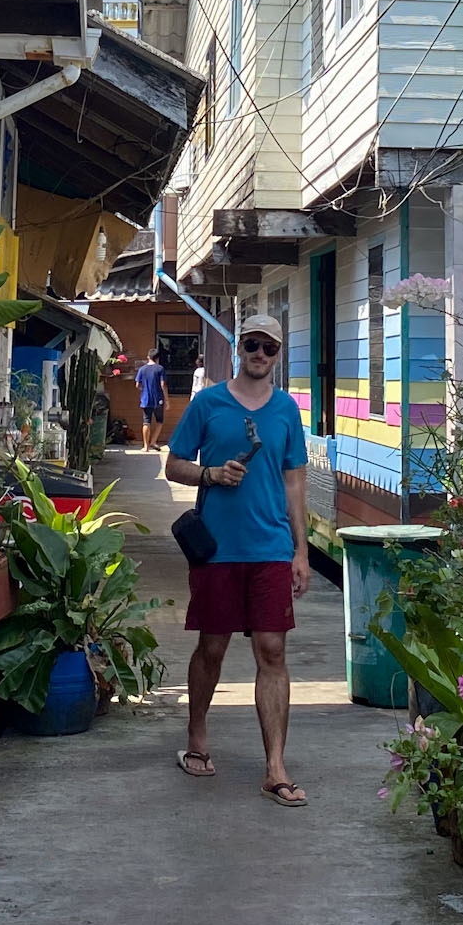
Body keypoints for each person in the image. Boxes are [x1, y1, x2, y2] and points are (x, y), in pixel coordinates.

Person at [164, 312, 310, 805]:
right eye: (252, 344)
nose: (260, 355)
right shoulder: (208, 404)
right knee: (213, 646)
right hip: (218, 550)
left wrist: (300, 550)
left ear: (278, 355)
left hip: (270, 547)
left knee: (273, 651)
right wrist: (209, 476)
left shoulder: (287, 410)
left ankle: (275, 767)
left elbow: (294, 482)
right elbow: (174, 463)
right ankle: (198, 737)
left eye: (269, 348)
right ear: (238, 348)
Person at [133, 351, 167, 452]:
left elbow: (137, 385)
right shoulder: (160, 369)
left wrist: (144, 390)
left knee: (146, 422)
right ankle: (153, 441)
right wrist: (167, 399)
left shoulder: (142, 369)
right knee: (159, 421)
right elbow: (162, 385)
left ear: (148, 357)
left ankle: (146, 446)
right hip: (158, 399)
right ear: (157, 358)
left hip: (145, 399)